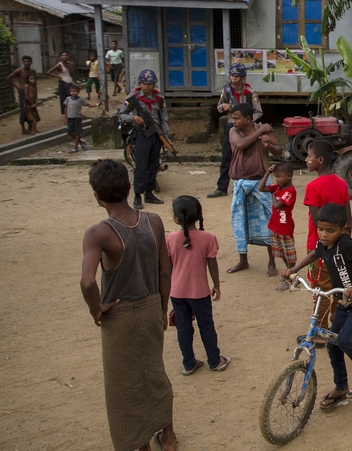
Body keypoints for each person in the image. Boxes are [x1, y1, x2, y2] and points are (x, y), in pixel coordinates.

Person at [79, 159, 176, 451]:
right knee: (155, 373)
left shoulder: (99, 233)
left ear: (97, 196)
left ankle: (140, 444)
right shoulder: (153, 221)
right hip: (149, 307)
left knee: (123, 387)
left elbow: (87, 282)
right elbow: (165, 270)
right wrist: (161, 308)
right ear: (129, 186)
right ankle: (168, 436)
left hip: (119, 315)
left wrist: (97, 309)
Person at [282, 203, 352, 406]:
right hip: (344, 302)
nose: (324, 235)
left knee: (345, 340)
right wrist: (294, 268)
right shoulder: (323, 244)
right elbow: (314, 254)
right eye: (320, 229)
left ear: (342, 230)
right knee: (333, 344)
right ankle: (341, 386)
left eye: (330, 230)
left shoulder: (346, 244)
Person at [166, 195, 230, 376]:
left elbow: (167, 266)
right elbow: (213, 264)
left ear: (176, 218)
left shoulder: (170, 238)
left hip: (177, 291)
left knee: (183, 327)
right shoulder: (208, 238)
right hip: (199, 291)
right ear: (198, 215)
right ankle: (215, 360)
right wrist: (217, 285)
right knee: (206, 326)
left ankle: (189, 363)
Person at [303, 139, 352, 339]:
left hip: (319, 246)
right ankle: (335, 323)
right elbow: (348, 216)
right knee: (337, 285)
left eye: (309, 156)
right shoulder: (341, 183)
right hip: (340, 244)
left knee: (321, 289)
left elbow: (318, 221)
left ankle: (320, 330)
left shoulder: (313, 187)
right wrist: (345, 239)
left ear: (320, 160)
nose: (306, 160)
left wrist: (326, 240)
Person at [225, 102, 282, 274]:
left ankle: (272, 262)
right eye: (232, 118)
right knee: (239, 222)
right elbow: (241, 144)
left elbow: (279, 150)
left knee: (269, 221)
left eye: (236, 118)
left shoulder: (265, 130)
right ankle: (243, 260)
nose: (233, 121)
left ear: (248, 118)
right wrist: (260, 132)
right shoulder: (234, 131)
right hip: (240, 183)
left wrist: (269, 145)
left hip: (261, 183)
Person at [208, 63, 263, 198]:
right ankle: (222, 187)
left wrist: (248, 121)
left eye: (236, 76)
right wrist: (224, 106)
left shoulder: (250, 93)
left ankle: (244, 186)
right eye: (232, 75)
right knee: (226, 157)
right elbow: (218, 108)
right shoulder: (226, 91)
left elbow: (258, 112)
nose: (233, 78)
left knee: (247, 158)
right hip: (231, 127)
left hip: (247, 130)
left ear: (243, 77)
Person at [119, 69, 169, 210]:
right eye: (144, 84)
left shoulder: (159, 98)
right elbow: (121, 114)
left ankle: (149, 193)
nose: (147, 86)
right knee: (141, 166)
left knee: (153, 165)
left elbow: (164, 119)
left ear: (154, 84)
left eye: (150, 84)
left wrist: (166, 137)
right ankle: (137, 195)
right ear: (140, 83)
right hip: (141, 134)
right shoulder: (133, 98)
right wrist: (134, 118)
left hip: (156, 135)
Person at [259, 161, 298, 291]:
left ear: (289, 176)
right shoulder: (278, 187)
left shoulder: (290, 191)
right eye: (276, 176)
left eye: (279, 176)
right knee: (281, 253)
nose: (277, 179)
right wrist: (267, 173)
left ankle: (290, 276)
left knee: (289, 254)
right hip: (275, 226)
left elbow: (277, 205)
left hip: (285, 227)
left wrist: (274, 196)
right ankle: (290, 272)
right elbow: (261, 188)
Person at [64, 85, 100, 153]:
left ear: (78, 92)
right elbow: (65, 108)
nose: (73, 93)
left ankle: (75, 147)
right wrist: (65, 118)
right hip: (70, 118)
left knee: (77, 133)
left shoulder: (80, 99)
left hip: (77, 118)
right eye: (71, 91)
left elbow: (88, 105)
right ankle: (81, 142)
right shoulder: (68, 99)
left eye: (75, 91)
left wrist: (97, 105)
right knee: (70, 132)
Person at [7, 55, 36, 134]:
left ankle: (31, 127)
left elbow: (34, 82)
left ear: (31, 62)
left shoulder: (32, 71)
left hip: (30, 92)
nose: (26, 63)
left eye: (28, 61)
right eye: (25, 61)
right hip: (23, 91)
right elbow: (8, 78)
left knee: (31, 109)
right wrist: (17, 87)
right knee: (23, 110)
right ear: (22, 62)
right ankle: (23, 128)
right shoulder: (19, 71)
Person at [46, 51, 74, 125]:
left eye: (66, 55)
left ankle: (72, 114)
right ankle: (66, 117)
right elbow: (48, 72)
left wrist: (70, 67)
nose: (65, 56)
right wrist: (58, 76)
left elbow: (71, 74)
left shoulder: (69, 64)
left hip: (70, 82)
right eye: (63, 55)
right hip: (63, 83)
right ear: (60, 57)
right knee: (64, 100)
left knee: (72, 98)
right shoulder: (59, 65)